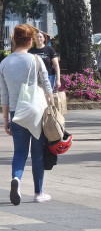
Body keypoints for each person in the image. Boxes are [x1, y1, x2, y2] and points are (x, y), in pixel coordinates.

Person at [0, 24, 55, 205]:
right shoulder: (35, 60)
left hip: (17, 114)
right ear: (31, 40)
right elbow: (47, 85)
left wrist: (6, 119)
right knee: (37, 153)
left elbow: (4, 95)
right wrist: (52, 106)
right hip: (36, 112)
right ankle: (38, 193)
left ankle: (16, 179)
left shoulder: (4, 63)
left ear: (14, 39)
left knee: (20, 152)